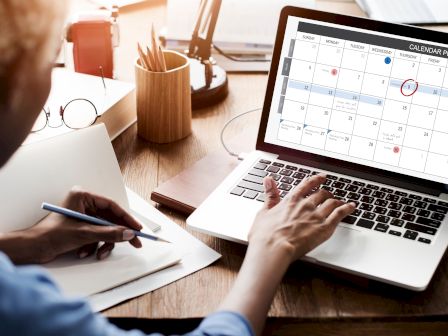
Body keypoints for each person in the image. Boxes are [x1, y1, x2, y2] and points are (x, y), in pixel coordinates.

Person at [0, 1, 356, 335]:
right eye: (51, 60)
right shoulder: (18, 304)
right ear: (15, 86)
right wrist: (272, 245)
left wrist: (31, 243)